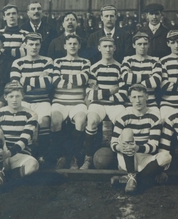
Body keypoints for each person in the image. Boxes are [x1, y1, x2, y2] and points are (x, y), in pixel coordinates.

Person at [110, 84, 172, 194]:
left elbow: (153, 146)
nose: (137, 101)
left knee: (166, 157)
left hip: (145, 157)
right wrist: (120, 147)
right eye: (134, 97)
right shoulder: (123, 116)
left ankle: (131, 179)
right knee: (127, 131)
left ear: (147, 97)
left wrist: (137, 147)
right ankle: (133, 175)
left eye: (140, 96)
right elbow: (113, 143)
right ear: (129, 98)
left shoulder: (154, 117)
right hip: (127, 158)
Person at [81, 36, 127, 169]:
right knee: (92, 120)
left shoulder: (120, 68)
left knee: (123, 121)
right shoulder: (94, 68)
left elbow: (123, 94)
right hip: (98, 105)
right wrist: (110, 91)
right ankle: (88, 158)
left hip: (115, 105)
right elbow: (90, 94)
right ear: (99, 48)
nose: (108, 49)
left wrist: (101, 94)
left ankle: (121, 160)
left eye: (110, 46)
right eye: (105, 46)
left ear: (115, 48)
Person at [0, 82, 39, 190]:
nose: (14, 100)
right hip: (1, 153)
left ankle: (2, 177)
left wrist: (8, 154)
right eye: (11, 96)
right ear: (5, 97)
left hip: (18, 155)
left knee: (33, 165)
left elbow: (25, 140)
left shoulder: (31, 114)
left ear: (22, 96)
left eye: (17, 96)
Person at [10, 32, 54, 165]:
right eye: (31, 44)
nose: (34, 47)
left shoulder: (47, 60)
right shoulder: (18, 62)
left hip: (42, 101)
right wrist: (39, 77)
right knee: (25, 123)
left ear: (40, 45)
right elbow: (15, 84)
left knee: (44, 120)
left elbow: (47, 84)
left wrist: (26, 80)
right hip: (24, 101)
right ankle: (26, 154)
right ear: (25, 45)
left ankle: (42, 155)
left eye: (37, 44)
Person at [51, 34, 91, 169]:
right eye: (70, 44)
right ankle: (61, 156)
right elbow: (55, 81)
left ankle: (74, 157)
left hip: (78, 102)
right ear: (65, 46)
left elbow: (83, 79)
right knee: (55, 120)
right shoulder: (58, 62)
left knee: (80, 120)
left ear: (79, 46)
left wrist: (65, 79)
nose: (73, 46)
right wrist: (75, 80)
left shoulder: (85, 62)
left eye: (75, 44)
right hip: (59, 101)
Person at [121, 31, 162, 111]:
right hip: (131, 104)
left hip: (150, 103)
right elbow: (126, 78)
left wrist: (134, 80)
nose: (142, 47)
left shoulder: (155, 60)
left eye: (145, 44)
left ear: (149, 45)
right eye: (139, 44)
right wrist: (147, 76)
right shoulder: (128, 60)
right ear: (134, 45)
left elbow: (156, 81)